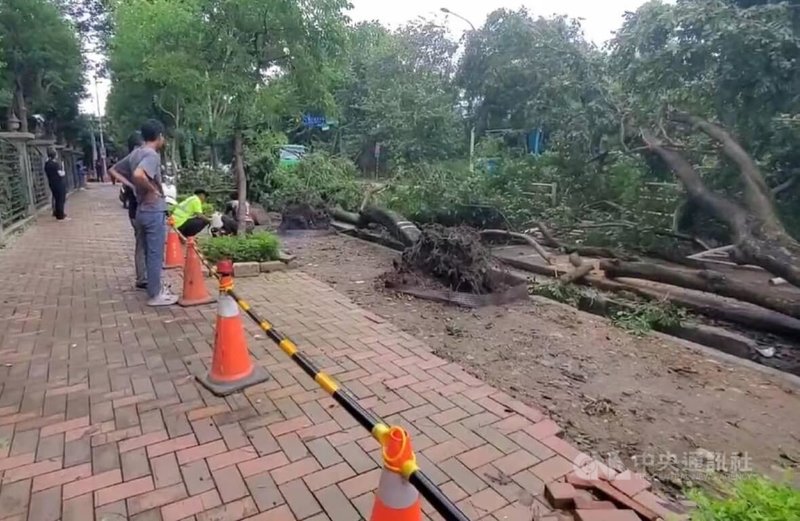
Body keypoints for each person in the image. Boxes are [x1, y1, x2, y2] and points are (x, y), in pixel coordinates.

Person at [109, 120, 176, 306]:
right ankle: (155, 295)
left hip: (140, 210)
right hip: (153, 210)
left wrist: (131, 186)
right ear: (160, 136)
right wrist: (151, 189)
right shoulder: (151, 154)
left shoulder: (135, 153)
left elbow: (113, 170)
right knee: (155, 254)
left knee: (147, 251)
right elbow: (139, 174)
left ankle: (154, 288)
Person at [44, 149, 67, 220]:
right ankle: (60, 214)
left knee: (56, 198)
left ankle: (57, 212)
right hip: (59, 183)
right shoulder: (55, 164)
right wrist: (63, 169)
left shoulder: (47, 164)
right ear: (54, 155)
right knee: (60, 198)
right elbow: (61, 174)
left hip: (51, 183)